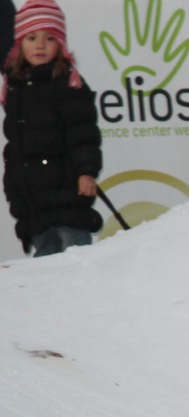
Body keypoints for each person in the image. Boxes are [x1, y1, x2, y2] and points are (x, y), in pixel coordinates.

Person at [1, 0, 101, 257]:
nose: (40, 45)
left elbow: (83, 134)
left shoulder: (68, 83)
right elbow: (15, 144)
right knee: (45, 266)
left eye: (50, 38)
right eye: (31, 37)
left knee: (75, 257)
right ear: (19, 45)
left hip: (68, 193)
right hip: (34, 202)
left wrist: (86, 172)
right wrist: (14, 186)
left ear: (62, 45)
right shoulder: (15, 88)